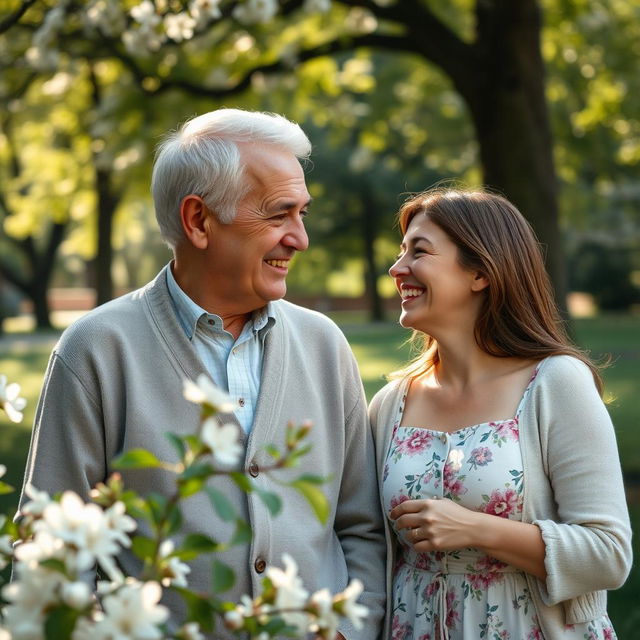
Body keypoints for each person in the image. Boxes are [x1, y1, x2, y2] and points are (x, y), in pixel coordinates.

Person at [20, 109, 386, 639]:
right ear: (198, 221)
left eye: (302, 213)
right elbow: (48, 550)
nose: (300, 238)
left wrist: (353, 631)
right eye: (279, 214)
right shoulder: (96, 350)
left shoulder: (324, 344)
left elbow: (362, 529)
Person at [369, 187, 632, 640]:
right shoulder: (391, 404)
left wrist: (476, 528)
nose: (397, 268)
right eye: (400, 251)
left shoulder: (555, 383)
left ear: (480, 273)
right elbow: (368, 545)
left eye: (420, 251)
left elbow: (607, 554)